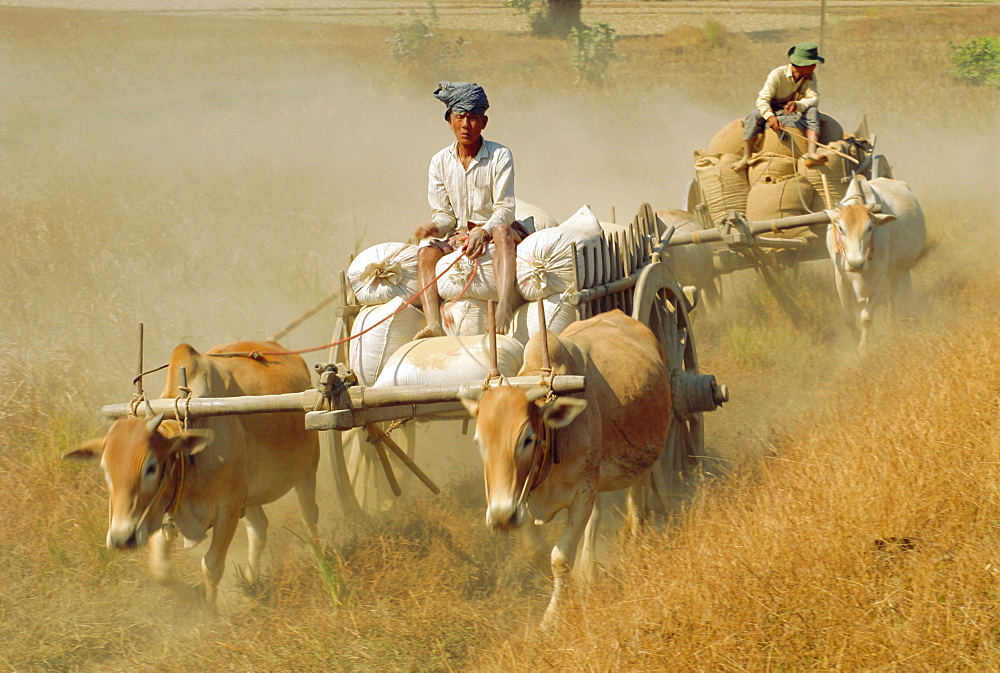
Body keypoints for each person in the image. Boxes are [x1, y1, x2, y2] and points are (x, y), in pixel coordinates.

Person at [412, 81, 529, 339]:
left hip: (497, 230)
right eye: (460, 117)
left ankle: (504, 307)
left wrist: (483, 232)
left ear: (484, 122)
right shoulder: (439, 161)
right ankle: (433, 324)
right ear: (449, 121)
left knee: (500, 230)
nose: (466, 125)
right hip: (459, 236)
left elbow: (506, 208)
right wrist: (435, 227)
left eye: (473, 118)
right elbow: (444, 216)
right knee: (425, 254)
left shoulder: (500, 155)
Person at [732, 42, 827, 172]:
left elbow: (813, 99)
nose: (815, 66)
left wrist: (798, 105)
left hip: (795, 113)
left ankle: (811, 153)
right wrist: (770, 117)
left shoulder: (810, 78)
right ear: (801, 64)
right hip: (774, 111)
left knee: (813, 112)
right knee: (754, 116)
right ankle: (746, 157)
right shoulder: (777, 75)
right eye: (812, 63)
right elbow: (762, 100)